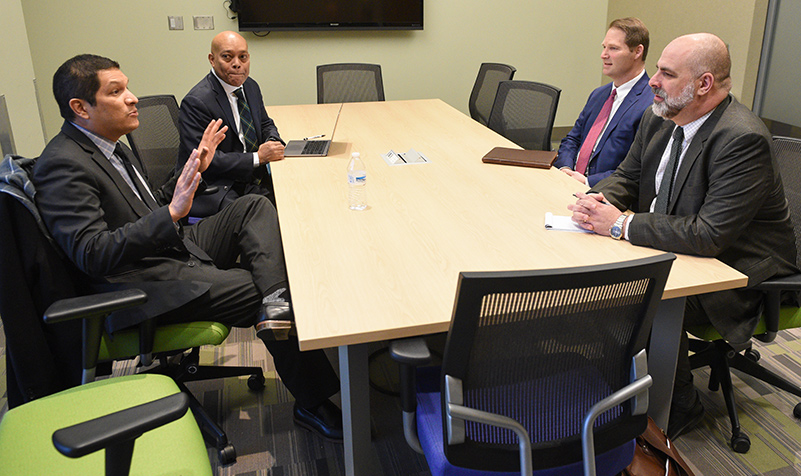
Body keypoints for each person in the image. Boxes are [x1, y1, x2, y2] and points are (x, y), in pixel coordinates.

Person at [32, 54, 344, 441]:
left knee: (253, 206)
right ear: (80, 108)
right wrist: (172, 214)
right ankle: (310, 401)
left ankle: (276, 298)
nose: (132, 98)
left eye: (127, 87)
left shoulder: (108, 144)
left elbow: (146, 204)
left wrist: (191, 171)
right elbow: (91, 254)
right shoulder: (63, 165)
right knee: (258, 288)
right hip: (142, 283)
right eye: (117, 91)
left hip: (169, 247)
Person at [568, 33, 799, 439]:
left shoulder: (741, 138)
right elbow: (628, 176)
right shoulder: (660, 117)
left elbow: (709, 235)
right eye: (657, 68)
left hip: (735, 274)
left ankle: (677, 407)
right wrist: (594, 201)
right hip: (681, 249)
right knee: (590, 269)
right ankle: (621, 384)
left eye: (666, 73)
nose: (652, 81)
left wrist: (619, 224)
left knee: (633, 293)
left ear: (704, 84)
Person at [178, 31, 285, 216]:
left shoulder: (250, 86)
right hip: (219, 186)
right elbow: (205, 161)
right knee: (265, 216)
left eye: (243, 57)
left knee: (295, 197)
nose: (237, 64)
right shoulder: (197, 102)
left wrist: (272, 142)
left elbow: (266, 123)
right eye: (228, 57)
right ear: (212, 59)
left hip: (253, 179)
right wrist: (258, 157)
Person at [554, 17, 654, 187]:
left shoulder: (651, 104)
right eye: (604, 47)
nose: (603, 55)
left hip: (606, 195)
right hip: (569, 183)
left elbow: (640, 170)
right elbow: (572, 139)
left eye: (613, 48)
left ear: (637, 52)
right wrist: (565, 168)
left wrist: (587, 181)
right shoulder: (599, 94)